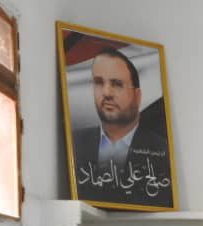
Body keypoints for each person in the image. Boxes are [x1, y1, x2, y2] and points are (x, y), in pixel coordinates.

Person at [70, 48, 173, 207]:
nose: (106, 93)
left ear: (137, 96)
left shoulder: (163, 152)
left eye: (117, 84)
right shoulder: (73, 144)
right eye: (99, 83)